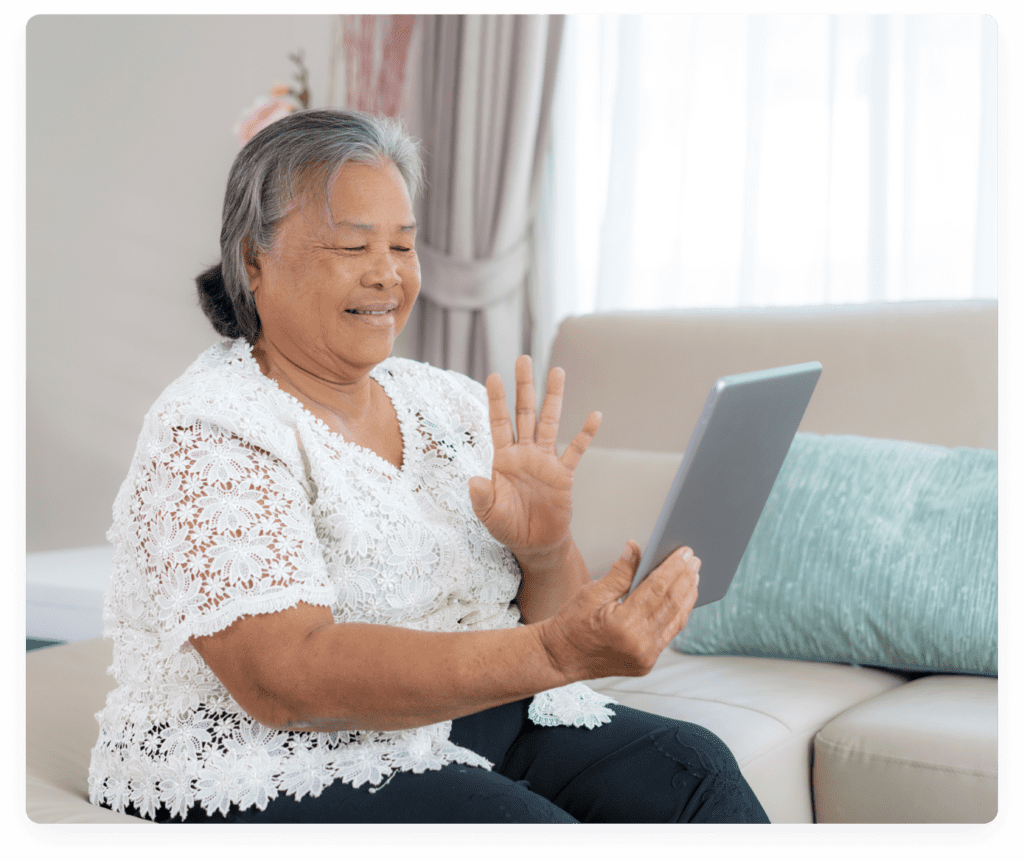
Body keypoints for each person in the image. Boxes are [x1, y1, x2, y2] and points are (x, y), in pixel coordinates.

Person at [88, 109, 770, 825]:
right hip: (266, 748)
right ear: (254, 261)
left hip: (455, 715)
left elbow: (553, 621)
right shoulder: (211, 424)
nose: (387, 274)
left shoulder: (446, 402)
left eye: (403, 245)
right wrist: (551, 649)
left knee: (695, 772)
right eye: (354, 246)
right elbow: (284, 678)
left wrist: (542, 550)